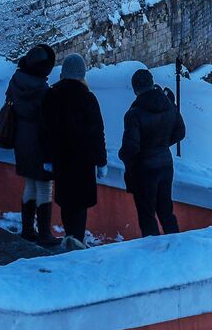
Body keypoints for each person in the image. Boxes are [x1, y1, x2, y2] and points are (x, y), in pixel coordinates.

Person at [41, 54, 107, 250]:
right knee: (79, 205)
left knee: (67, 202)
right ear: (82, 73)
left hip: (61, 159)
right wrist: (101, 162)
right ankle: (76, 241)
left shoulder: (51, 96)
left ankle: (70, 236)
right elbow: (97, 133)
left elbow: (44, 131)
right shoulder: (88, 98)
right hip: (83, 161)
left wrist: (47, 158)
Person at [119, 63, 186, 237]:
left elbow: (131, 148)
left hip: (144, 170)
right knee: (166, 211)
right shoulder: (169, 104)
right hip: (165, 164)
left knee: (147, 215)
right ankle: (176, 247)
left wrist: (125, 155)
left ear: (135, 89)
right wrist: (161, 145)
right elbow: (180, 132)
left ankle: (154, 253)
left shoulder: (134, 114)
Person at [7, 44, 60, 246]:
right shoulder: (43, 90)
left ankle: (28, 229)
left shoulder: (16, 80)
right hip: (39, 143)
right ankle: (45, 233)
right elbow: (47, 124)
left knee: (29, 183)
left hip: (21, 140)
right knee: (45, 186)